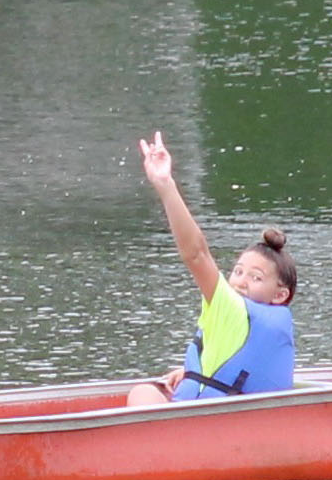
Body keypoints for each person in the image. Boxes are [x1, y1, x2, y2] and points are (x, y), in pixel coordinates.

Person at [123, 134, 297, 408]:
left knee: (141, 393)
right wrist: (192, 373)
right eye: (238, 271)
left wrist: (165, 185)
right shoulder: (246, 317)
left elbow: (196, 254)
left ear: (279, 295)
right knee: (146, 390)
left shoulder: (233, 308)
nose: (240, 282)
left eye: (256, 277)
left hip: (217, 423)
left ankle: (156, 443)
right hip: (232, 415)